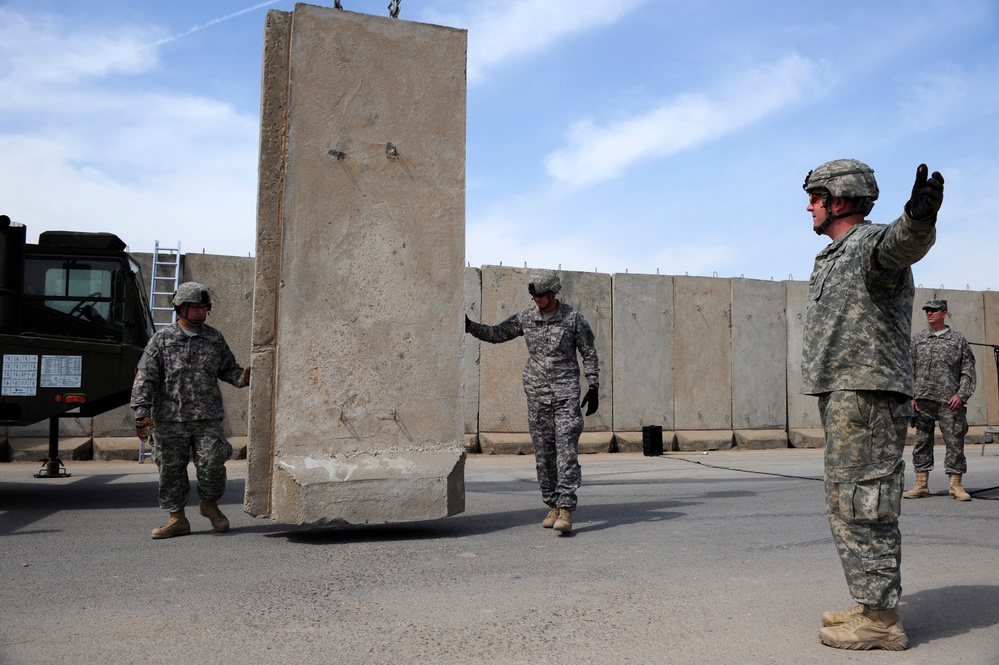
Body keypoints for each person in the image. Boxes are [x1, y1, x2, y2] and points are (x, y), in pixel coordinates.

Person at [801, 159, 944, 651]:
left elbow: (900, 244)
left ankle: (883, 621)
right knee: (848, 501)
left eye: (816, 198)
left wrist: (919, 219)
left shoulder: (867, 245)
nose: (809, 207)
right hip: (847, 394)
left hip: (866, 395)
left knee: (866, 503)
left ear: (838, 200)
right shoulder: (836, 254)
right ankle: (870, 603)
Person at [465, 269, 599, 534]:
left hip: (565, 395)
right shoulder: (526, 318)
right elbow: (496, 333)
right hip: (537, 396)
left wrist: (593, 385)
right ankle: (551, 504)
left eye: (542, 296)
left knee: (566, 453)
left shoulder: (573, 318)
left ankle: (566, 510)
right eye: (534, 296)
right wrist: (470, 326)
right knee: (544, 456)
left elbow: (589, 352)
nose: (537, 300)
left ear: (553, 293)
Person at [131, 282, 251, 539]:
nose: (200, 312)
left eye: (204, 308)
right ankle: (177, 518)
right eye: (194, 307)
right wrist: (142, 411)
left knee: (212, 464)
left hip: (207, 417)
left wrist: (243, 376)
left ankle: (209, 505)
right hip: (169, 419)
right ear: (181, 308)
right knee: (170, 469)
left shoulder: (214, 338)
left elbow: (228, 369)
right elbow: (145, 376)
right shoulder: (161, 340)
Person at [903, 299, 976, 501]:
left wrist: (961, 395)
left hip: (950, 402)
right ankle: (921, 484)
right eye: (927, 310)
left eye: (934, 310)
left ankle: (955, 485)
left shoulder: (958, 340)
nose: (929, 313)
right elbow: (909, 370)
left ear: (944, 313)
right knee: (922, 443)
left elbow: (968, 372)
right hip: (923, 400)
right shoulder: (917, 340)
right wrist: (911, 396)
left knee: (954, 443)